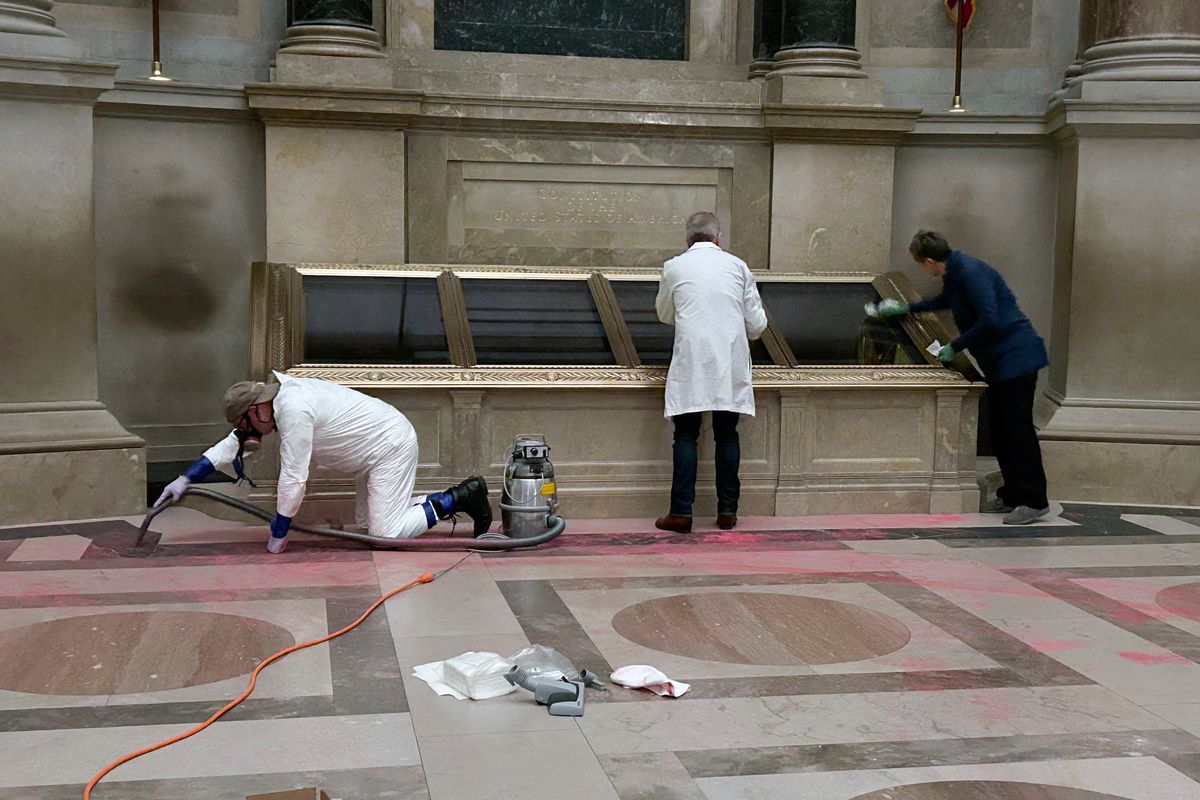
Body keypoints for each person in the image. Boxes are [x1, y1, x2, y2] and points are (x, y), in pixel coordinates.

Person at [154, 372, 492, 552]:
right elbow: (232, 445)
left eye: (245, 424)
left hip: (389, 446)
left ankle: (461, 497)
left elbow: (294, 478)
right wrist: (186, 478)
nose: (248, 433)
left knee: (385, 535)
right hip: (369, 455)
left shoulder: (294, 409)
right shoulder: (279, 402)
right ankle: (436, 501)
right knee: (367, 528)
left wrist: (280, 533)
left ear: (256, 409)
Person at [878, 230, 1051, 525]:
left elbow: (990, 318)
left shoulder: (971, 272)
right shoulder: (956, 271)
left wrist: (955, 346)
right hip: (1000, 365)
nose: (924, 270)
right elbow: (946, 300)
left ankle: (1034, 501)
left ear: (930, 261)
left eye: (922, 265)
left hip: (1017, 359)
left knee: (1017, 431)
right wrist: (908, 308)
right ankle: (1012, 494)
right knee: (999, 430)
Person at [654, 211, 768, 533]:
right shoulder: (738, 266)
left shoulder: (674, 266)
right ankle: (728, 512)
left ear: (688, 240)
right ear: (718, 238)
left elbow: (664, 313)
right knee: (727, 434)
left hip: (691, 358)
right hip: (729, 359)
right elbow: (757, 325)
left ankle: (680, 513)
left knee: (686, 434)